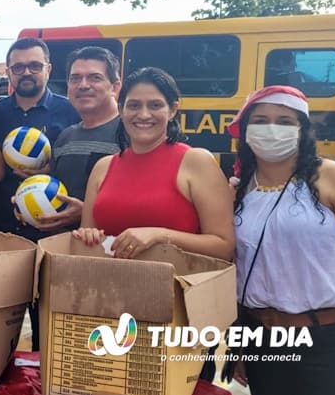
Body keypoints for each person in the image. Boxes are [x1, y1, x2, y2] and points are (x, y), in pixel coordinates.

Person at [223, 85, 335, 395]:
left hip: (327, 339)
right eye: (261, 120)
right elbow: (236, 272)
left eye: (284, 121)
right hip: (261, 339)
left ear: (302, 130)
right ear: (245, 130)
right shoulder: (235, 191)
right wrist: (239, 343)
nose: (271, 129)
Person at [73, 67, 235, 261]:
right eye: (133, 105)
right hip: (107, 287)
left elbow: (224, 246)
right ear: (121, 110)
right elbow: (87, 236)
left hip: (175, 287)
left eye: (155, 105)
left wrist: (160, 235)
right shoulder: (103, 167)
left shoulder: (197, 162)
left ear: (173, 110)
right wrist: (88, 236)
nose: (143, 114)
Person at [0, 38, 81, 240]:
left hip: (52, 229)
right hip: (0, 226)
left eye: (35, 66)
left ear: (48, 69)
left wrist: (50, 169)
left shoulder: (72, 111)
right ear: (8, 73)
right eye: (18, 67)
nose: (26, 72)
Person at [28, 46, 123, 233]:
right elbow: (55, 194)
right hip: (64, 250)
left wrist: (87, 212)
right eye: (75, 78)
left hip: (113, 253)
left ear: (115, 87)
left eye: (95, 77)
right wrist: (29, 200)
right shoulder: (65, 137)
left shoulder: (131, 135)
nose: (83, 85)